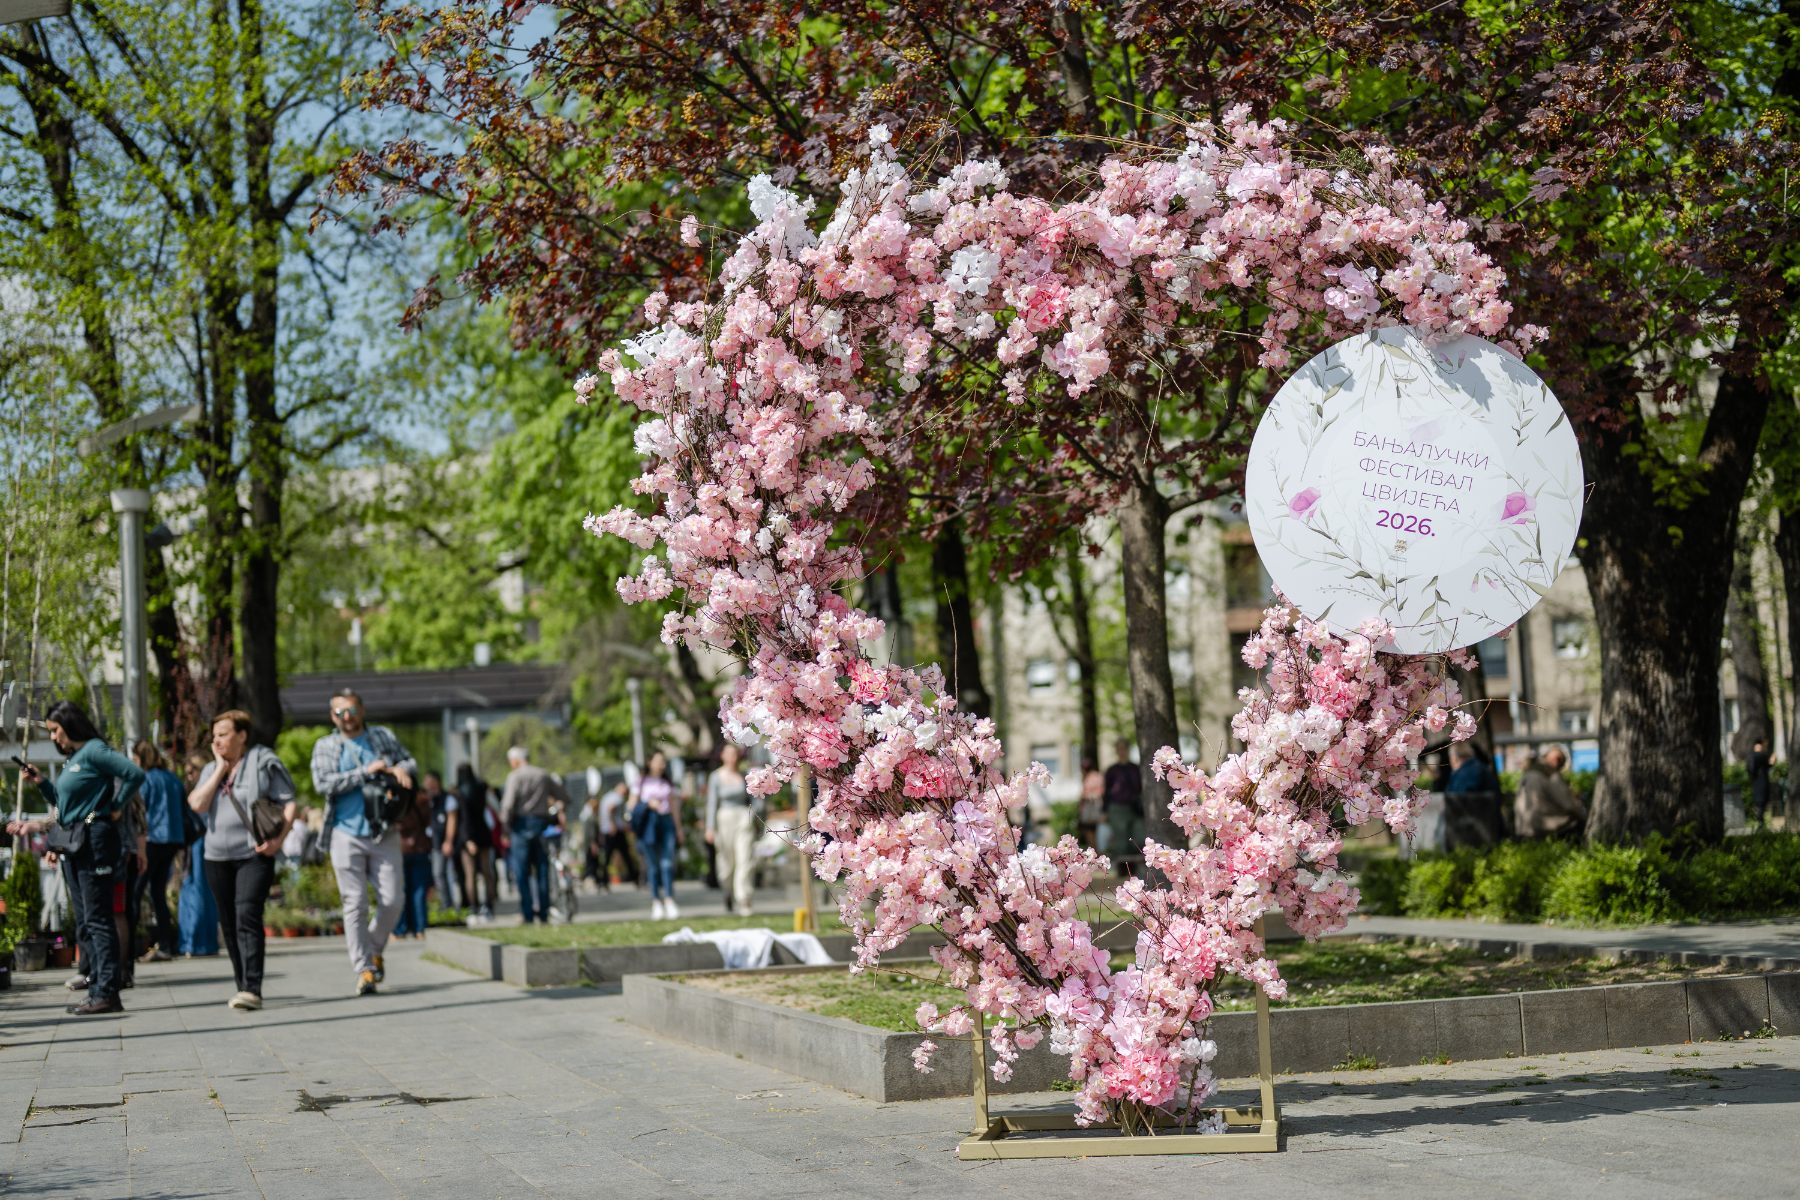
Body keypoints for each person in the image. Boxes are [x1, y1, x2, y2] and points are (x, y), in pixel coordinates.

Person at [5, 700, 145, 1016]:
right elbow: (65, 807)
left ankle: (108, 992)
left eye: (55, 730)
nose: (54, 737)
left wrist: (116, 806)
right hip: (76, 842)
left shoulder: (94, 750)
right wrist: (42, 783)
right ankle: (97, 988)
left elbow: (134, 773)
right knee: (86, 919)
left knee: (98, 918)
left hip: (95, 839)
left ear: (69, 724)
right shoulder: (74, 760)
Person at [189, 710, 298, 1011]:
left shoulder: (262, 762)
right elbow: (197, 804)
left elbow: (289, 803)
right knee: (228, 921)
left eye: (223, 734)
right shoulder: (212, 768)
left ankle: (252, 987)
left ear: (242, 735)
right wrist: (220, 770)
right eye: (214, 737)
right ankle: (242, 985)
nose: (218, 740)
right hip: (216, 856)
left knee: (247, 915)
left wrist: (279, 840)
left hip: (254, 854)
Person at [310, 689, 416, 996]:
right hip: (344, 832)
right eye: (340, 713)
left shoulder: (381, 737)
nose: (347, 718)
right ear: (332, 717)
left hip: (383, 831)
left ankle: (372, 949)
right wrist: (363, 773)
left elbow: (409, 762)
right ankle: (365, 969)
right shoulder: (326, 745)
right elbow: (323, 783)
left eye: (352, 711)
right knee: (354, 903)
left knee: (393, 900)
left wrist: (399, 769)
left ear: (362, 710)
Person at [499, 746, 570, 925]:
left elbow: (508, 805)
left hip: (521, 826)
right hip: (541, 824)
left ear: (515, 760)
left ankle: (528, 912)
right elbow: (564, 797)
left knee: (522, 872)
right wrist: (556, 809)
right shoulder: (543, 775)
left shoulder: (514, 777)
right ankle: (544, 912)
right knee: (542, 869)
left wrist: (505, 828)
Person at [131, 742, 187, 964]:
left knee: (135, 892)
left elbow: (140, 809)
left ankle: (129, 947)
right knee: (158, 894)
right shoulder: (173, 779)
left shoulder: (146, 779)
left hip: (152, 839)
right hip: (173, 839)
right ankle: (165, 944)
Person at [705, 744, 761, 917]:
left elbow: (755, 799)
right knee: (726, 864)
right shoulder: (716, 777)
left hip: (742, 818)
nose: (732, 757)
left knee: (745, 859)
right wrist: (710, 827)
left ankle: (744, 898)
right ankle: (728, 891)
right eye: (729, 753)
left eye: (735, 754)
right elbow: (712, 803)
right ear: (722, 755)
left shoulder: (745, 775)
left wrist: (754, 815)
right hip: (724, 819)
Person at [177, 750, 219, 957]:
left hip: (200, 842)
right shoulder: (198, 788)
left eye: (192, 771)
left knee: (198, 892)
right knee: (195, 891)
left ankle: (198, 942)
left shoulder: (205, 789)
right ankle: (195, 941)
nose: (189, 775)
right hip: (196, 843)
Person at [446, 764, 497, 922]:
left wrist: (466, 839)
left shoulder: (457, 792)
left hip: (466, 834)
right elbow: (494, 807)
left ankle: (473, 908)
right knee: (487, 872)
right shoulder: (482, 787)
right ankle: (488, 906)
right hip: (483, 832)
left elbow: (461, 819)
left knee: (470, 874)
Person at [635, 751, 682, 919]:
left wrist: (679, 829)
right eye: (658, 761)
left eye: (663, 761)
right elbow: (632, 805)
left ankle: (669, 899)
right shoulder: (641, 782)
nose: (661, 764)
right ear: (650, 762)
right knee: (652, 865)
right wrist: (648, 803)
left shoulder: (667, 782)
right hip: (649, 824)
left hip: (666, 822)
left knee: (667, 863)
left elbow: (674, 806)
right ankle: (656, 901)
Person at [1514, 745, 1586, 840]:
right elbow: (1569, 805)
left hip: (1523, 829)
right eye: (1560, 762)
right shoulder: (1552, 776)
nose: (1559, 765)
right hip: (1543, 829)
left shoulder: (1528, 774)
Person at [392, 781, 435, 939]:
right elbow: (428, 822)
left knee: (400, 890)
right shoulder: (422, 801)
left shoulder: (395, 801)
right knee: (419, 890)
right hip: (420, 848)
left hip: (401, 849)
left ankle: (400, 929)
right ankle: (420, 928)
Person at [1102, 738, 1144, 875]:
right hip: (1117, 808)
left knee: (1137, 837)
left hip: (1135, 807)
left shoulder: (1135, 769)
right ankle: (1122, 870)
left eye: (1124, 748)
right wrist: (1105, 810)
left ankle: (1135, 869)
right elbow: (1107, 792)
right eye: (1119, 749)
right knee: (1121, 841)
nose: (1122, 752)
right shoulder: (1112, 770)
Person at [421, 771, 458, 909]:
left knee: (440, 874)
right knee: (430, 876)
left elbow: (452, 821)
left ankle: (447, 905)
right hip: (425, 843)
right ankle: (434, 905)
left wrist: (448, 841)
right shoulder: (425, 799)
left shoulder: (447, 799)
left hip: (440, 842)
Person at [599, 775, 639, 888]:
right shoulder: (617, 797)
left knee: (608, 858)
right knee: (625, 856)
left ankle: (603, 882)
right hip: (614, 831)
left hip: (607, 831)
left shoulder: (607, 796)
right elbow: (611, 809)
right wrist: (613, 824)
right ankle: (635, 879)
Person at [1076, 757, 1104, 850]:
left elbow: (1084, 795)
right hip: (1097, 805)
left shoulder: (1087, 778)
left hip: (1091, 806)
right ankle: (1096, 850)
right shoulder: (1098, 776)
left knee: (1089, 830)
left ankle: (1094, 851)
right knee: (1095, 831)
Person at [1748, 738, 1773, 824]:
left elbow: (1751, 769)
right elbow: (1767, 765)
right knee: (1762, 802)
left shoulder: (1751, 756)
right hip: (1761, 783)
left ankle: (1760, 821)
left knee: (1760, 802)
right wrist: (1770, 762)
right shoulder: (1760, 756)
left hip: (1756, 783)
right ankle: (1760, 822)